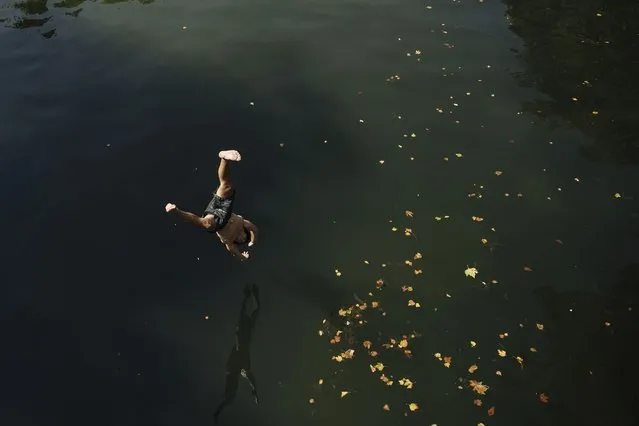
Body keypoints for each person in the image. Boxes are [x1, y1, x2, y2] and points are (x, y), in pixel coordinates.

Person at [165, 150, 258, 261]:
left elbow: (235, 252)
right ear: (244, 233)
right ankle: (224, 159)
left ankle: (175, 211)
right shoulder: (243, 224)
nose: (242, 238)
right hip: (225, 210)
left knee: (205, 223)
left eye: (241, 240)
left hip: (217, 223)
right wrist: (253, 240)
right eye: (244, 237)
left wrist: (243, 256)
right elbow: (254, 229)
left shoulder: (229, 242)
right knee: (226, 186)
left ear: (237, 241)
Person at [214, 284, 261, 424]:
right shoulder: (242, 368)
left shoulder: (237, 366)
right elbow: (251, 382)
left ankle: (251, 294)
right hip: (243, 342)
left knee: (251, 312)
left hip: (241, 343)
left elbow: (238, 345)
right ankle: (252, 294)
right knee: (253, 311)